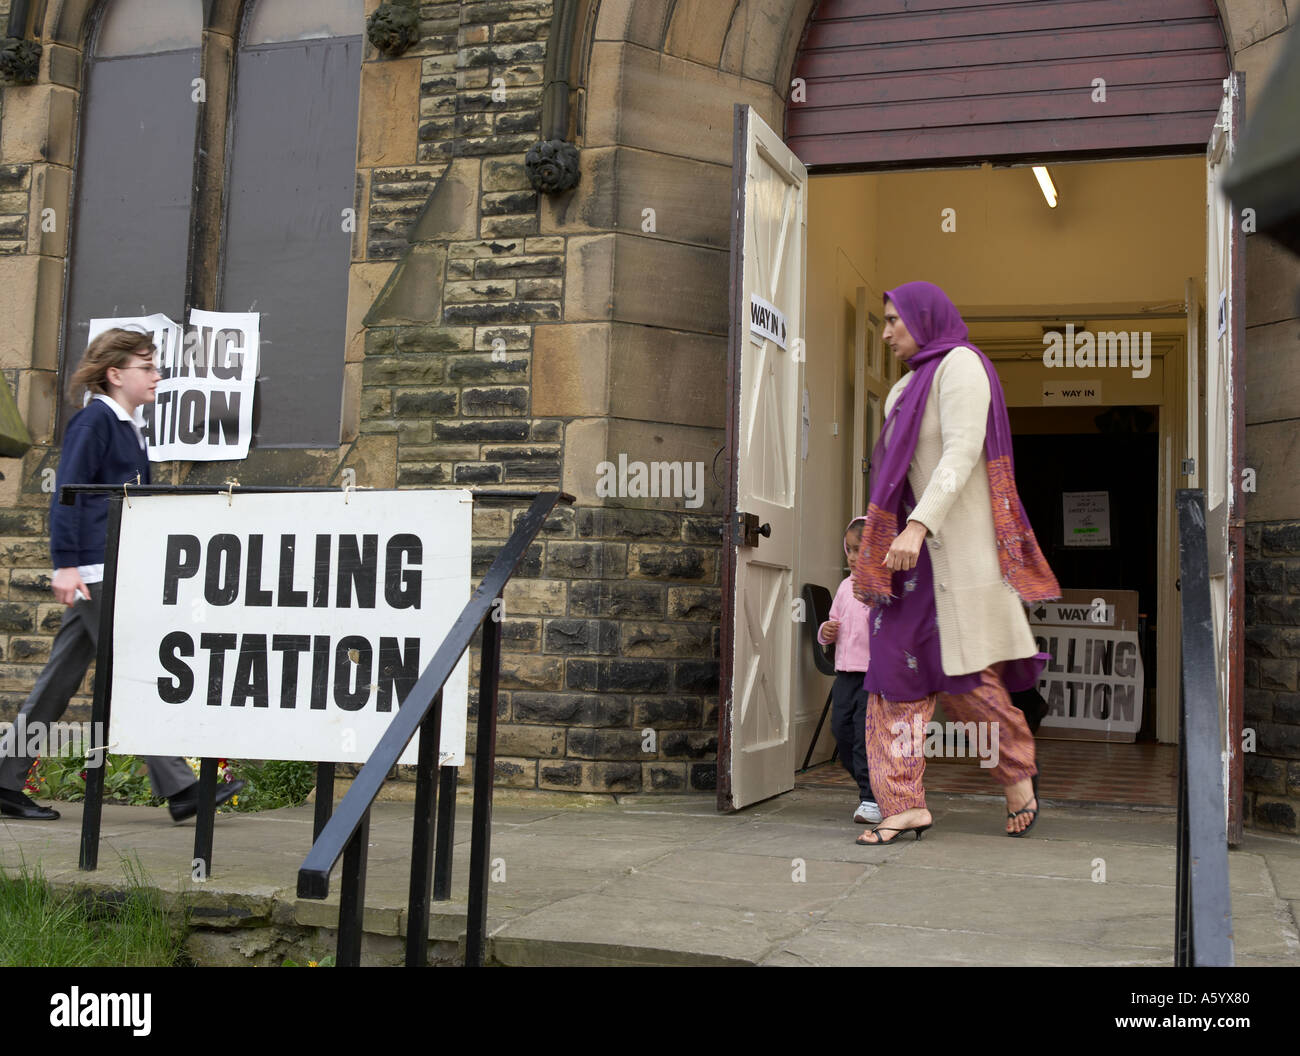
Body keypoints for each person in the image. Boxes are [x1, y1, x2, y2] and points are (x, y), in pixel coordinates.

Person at [0, 329, 243, 821]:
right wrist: (65, 563)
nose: (156, 376)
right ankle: (180, 788)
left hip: (115, 566)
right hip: (95, 569)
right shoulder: (95, 421)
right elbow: (69, 491)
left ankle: (3, 780)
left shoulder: (128, 425)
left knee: (59, 678)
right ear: (116, 374)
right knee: (135, 671)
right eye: (146, 367)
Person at [851, 282, 1058, 845]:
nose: (887, 331)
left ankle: (1017, 775)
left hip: (950, 554)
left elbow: (962, 451)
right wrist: (895, 535)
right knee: (893, 676)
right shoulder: (901, 391)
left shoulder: (960, 366)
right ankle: (903, 804)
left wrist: (919, 525)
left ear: (924, 317)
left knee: (965, 681)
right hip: (907, 566)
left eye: (894, 320)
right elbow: (894, 476)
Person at [817, 516, 880, 825]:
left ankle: (871, 799)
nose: (854, 558)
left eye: (862, 551)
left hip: (873, 676)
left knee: (863, 738)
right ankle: (881, 789)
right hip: (845, 674)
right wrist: (825, 630)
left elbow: (890, 628)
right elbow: (833, 622)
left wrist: (875, 601)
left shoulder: (884, 587)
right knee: (841, 733)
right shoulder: (844, 587)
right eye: (850, 550)